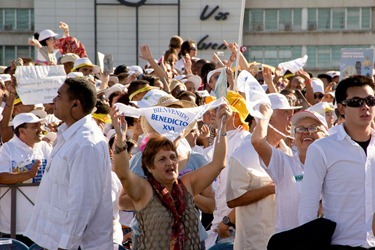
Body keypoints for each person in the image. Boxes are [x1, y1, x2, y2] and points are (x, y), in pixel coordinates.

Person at [111, 102, 231, 249]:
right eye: (162, 159)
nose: (170, 163)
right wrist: (120, 137)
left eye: (173, 157)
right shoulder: (144, 190)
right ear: (149, 167)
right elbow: (123, 174)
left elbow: (218, 163)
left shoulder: (186, 184)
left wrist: (222, 128)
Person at [24, 77, 113, 249]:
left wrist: (66, 245)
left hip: (76, 245)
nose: (54, 100)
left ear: (75, 105)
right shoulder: (69, 134)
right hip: (57, 241)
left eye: (59, 96)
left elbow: (83, 204)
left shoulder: (87, 144)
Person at [299, 75, 375, 248]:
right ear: (341, 108)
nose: (365, 107)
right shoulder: (321, 149)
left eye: (370, 101)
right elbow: (308, 205)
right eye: (356, 101)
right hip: (340, 243)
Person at [252, 107, 328, 233]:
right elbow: (257, 141)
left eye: (313, 127)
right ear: (294, 138)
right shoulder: (284, 164)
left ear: (326, 135)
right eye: (300, 129)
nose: (306, 132)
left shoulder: (335, 168)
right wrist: (265, 114)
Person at [0, 112, 52, 246]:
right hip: (15, 226)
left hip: (43, 224)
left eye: (40, 125)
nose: (41, 129)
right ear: (22, 131)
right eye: (35, 126)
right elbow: (1, 176)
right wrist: (27, 175)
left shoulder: (44, 147)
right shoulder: (7, 149)